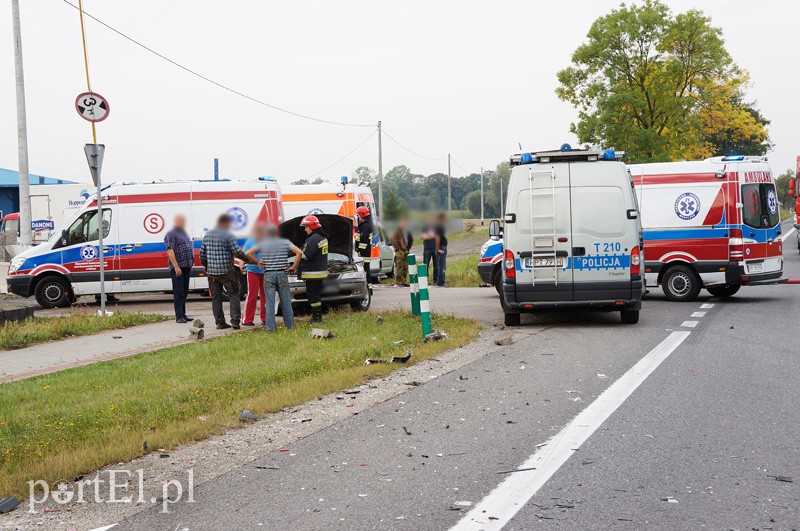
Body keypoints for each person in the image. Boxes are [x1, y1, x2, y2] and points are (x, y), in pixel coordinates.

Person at [199, 214, 259, 330]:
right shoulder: (228, 235)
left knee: (216, 297)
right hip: (227, 272)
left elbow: (202, 253)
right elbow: (236, 252)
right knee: (234, 295)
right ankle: (235, 322)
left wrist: (205, 265)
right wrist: (248, 260)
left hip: (212, 273)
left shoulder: (208, 235)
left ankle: (220, 322)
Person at [247, 224, 303, 332]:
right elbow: (299, 252)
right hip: (282, 274)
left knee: (270, 303)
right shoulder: (285, 242)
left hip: (268, 275)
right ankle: (290, 327)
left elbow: (248, 253)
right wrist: (294, 266)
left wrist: (258, 261)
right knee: (286, 302)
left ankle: (270, 328)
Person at [297, 215, 328, 323]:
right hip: (319, 271)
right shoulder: (322, 237)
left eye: (306, 227)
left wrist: (298, 251)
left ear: (312, 226)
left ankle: (316, 317)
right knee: (316, 295)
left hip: (312, 272)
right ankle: (317, 315)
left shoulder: (314, 239)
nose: (305, 229)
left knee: (313, 295)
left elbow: (306, 255)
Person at [164, 214, 194, 323]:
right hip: (178, 267)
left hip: (186, 266)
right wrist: (176, 267)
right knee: (179, 292)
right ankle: (179, 316)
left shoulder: (184, 232)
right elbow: (170, 251)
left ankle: (183, 314)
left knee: (185, 291)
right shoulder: (171, 234)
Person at [241, 223, 268, 326]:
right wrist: (241, 264)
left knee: (265, 296)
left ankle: (265, 318)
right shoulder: (250, 241)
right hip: (252, 271)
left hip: (264, 271)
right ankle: (247, 319)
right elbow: (243, 256)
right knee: (252, 295)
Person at [391, 217, 413, 286]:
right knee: (400, 266)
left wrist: (408, 248)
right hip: (400, 251)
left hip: (405, 250)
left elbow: (410, 239)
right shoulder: (397, 231)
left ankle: (404, 281)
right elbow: (394, 240)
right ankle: (399, 281)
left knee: (405, 267)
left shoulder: (406, 231)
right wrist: (398, 249)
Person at [355, 206, 373, 285]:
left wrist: (359, 250)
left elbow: (364, 240)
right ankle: (369, 287)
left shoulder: (365, 226)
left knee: (365, 269)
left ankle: (368, 287)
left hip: (364, 253)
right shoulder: (365, 225)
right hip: (366, 252)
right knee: (366, 269)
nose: (358, 217)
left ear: (362, 214)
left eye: (358, 215)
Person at [421, 216, 438, 283]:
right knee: (426, 265)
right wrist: (432, 235)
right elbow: (424, 237)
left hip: (435, 248)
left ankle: (436, 279)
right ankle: (425, 279)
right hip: (427, 249)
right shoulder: (424, 228)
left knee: (436, 265)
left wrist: (429, 235)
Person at [435, 212, 448, 286]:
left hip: (443, 247)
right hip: (441, 247)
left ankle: (442, 281)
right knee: (441, 266)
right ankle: (441, 282)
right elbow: (437, 238)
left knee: (443, 265)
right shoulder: (439, 227)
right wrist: (438, 249)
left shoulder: (441, 227)